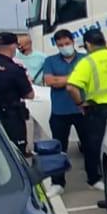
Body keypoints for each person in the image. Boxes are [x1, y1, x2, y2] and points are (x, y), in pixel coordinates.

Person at [64, 28, 107, 193]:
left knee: (94, 146)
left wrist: (80, 103)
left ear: (87, 44)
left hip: (97, 111)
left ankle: (94, 179)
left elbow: (71, 87)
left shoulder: (88, 62)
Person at [37, 29, 85, 194]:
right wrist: (75, 77)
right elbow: (50, 81)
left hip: (82, 108)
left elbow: (88, 79)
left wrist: (61, 79)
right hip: (59, 111)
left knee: (90, 146)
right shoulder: (50, 60)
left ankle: (95, 177)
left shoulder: (84, 59)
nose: (64, 47)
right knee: (59, 149)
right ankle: (58, 183)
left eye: (67, 43)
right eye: (60, 45)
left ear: (73, 41)